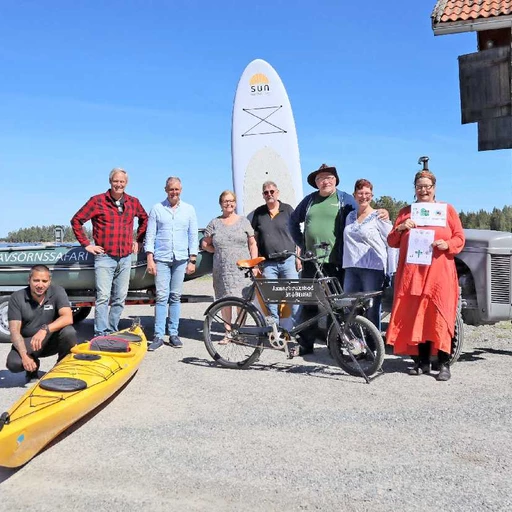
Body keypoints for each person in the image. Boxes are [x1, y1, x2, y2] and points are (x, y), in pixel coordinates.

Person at [386, 169, 465, 381]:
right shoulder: (406, 211)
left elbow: (459, 238)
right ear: (414, 189)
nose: (423, 190)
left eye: (427, 186)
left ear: (434, 188)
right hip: (413, 274)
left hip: (440, 273)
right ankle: (421, 362)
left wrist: (447, 244)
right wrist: (402, 227)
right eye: (419, 186)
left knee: (439, 315)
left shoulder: (447, 210)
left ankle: (444, 362)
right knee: (417, 316)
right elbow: (392, 241)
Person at [288, 163, 358, 355]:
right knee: (309, 302)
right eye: (320, 178)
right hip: (311, 261)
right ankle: (306, 344)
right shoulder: (310, 200)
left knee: (337, 304)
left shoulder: (345, 199)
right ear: (316, 183)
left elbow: (362, 217)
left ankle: (335, 344)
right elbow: (293, 221)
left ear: (335, 180)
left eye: (328, 177)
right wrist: (302, 243)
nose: (325, 181)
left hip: (335, 261)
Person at [71, 168, 148, 337]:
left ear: (126, 183)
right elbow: (76, 220)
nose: (119, 184)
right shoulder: (97, 201)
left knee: (120, 298)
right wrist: (86, 244)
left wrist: (139, 240)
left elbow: (145, 219)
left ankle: (112, 330)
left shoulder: (133, 202)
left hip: (126, 257)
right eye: (116, 181)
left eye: (122, 181)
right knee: (103, 297)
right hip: (105, 257)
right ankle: (100, 333)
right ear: (110, 182)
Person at [144, 177, 198, 350]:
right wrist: (150, 258)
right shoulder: (157, 209)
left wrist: (192, 259)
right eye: (171, 189)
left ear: (181, 189)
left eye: (176, 189)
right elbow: (150, 235)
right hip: (162, 258)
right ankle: (158, 336)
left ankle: (173, 333)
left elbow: (193, 236)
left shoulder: (189, 210)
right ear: (165, 190)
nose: (174, 192)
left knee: (175, 297)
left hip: (181, 259)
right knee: (161, 297)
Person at [201, 190, 258, 343]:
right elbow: (205, 243)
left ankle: (239, 332)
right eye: (225, 201)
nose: (229, 203)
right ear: (221, 204)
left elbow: (252, 243)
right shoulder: (214, 223)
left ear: (235, 203)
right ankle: (228, 332)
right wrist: (217, 251)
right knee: (226, 300)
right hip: (223, 269)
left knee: (242, 301)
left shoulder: (244, 221)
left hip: (242, 269)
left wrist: (254, 263)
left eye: (231, 200)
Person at [6, 265, 77, 382]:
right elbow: (14, 331)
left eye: (44, 281)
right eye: (36, 280)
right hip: (29, 342)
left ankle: (62, 367)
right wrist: (24, 356)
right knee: (14, 364)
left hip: (50, 338)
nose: (40, 285)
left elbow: (68, 318)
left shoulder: (58, 291)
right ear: (29, 280)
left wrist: (44, 329)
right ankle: (32, 370)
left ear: (49, 282)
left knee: (69, 332)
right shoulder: (17, 297)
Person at [342, 179, 393, 331]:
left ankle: (373, 346)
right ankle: (355, 344)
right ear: (354, 195)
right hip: (351, 267)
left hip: (372, 268)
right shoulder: (350, 216)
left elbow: (392, 240)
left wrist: (390, 268)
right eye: (360, 193)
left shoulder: (379, 216)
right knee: (349, 306)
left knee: (372, 307)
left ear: (372, 196)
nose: (363, 197)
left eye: (367, 194)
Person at [251, 181, 299, 324]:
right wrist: (255, 262)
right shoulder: (259, 213)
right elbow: (253, 239)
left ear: (277, 193)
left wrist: (298, 257)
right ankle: (275, 332)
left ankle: (299, 334)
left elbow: (297, 233)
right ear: (263, 195)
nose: (269, 194)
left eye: (272, 191)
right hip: (268, 263)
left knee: (295, 296)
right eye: (266, 192)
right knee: (271, 299)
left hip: (288, 260)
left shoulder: (288, 209)